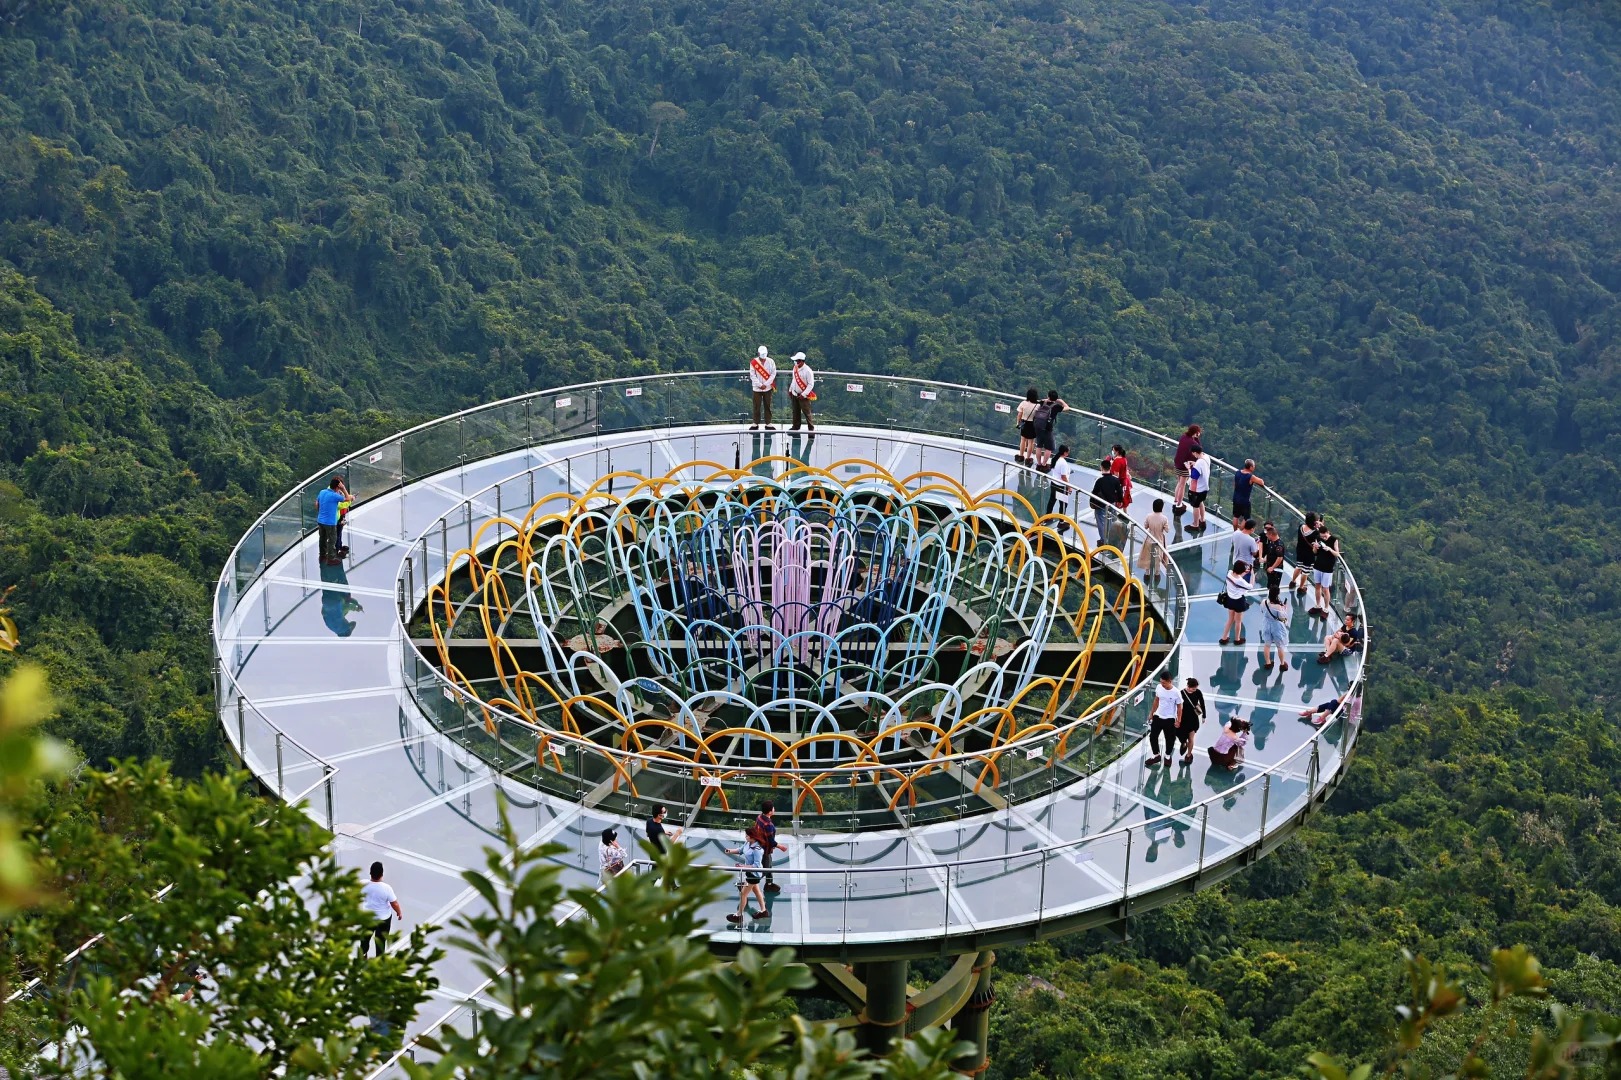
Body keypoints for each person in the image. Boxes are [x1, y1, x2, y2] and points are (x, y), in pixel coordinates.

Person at [723, 829, 770, 923]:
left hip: (754, 874)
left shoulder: (757, 850)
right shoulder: (747, 844)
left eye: (747, 835)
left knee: (743, 894)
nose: (745, 837)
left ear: (753, 837)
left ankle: (738, 915)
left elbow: (756, 865)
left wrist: (742, 866)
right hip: (749, 873)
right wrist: (729, 851)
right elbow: (740, 850)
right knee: (757, 892)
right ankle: (764, 911)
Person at [358, 861, 402, 958]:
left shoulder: (362, 884)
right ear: (382, 874)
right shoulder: (387, 888)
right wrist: (399, 912)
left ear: (370, 873)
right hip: (383, 919)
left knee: (365, 939)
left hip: (367, 917)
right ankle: (379, 960)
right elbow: (394, 903)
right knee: (381, 940)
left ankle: (363, 956)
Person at [1147, 671, 1181, 767]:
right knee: (1153, 736)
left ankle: (1167, 756)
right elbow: (1156, 700)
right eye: (1161, 682)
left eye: (1164, 683)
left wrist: (1178, 720)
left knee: (1170, 739)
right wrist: (1151, 713)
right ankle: (1156, 755)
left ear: (1170, 681)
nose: (1162, 684)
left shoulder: (1176, 692)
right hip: (1158, 716)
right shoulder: (1159, 687)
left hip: (1170, 718)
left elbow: (1179, 707)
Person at [753, 800, 787, 894]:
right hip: (765, 850)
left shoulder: (760, 817)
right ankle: (746, 883)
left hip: (759, 846)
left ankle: (769, 884)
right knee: (765, 870)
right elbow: (771, 841)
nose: (774, 809)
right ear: (770, 812)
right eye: (773, 808)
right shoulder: (768, 825)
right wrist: (781, 847)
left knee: (769, 867)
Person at [1088, 457, 1124, 542]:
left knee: (1101, 522)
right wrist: (1120, 501)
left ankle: (1103, 540)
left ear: (1101, 467)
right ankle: (1111, 539)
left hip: (1101, 504)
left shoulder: (1099, 480)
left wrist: (1092, 503)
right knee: (1112, 521)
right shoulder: (1115, 479)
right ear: (1110, 468)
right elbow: (1119, 491)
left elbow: (1094, 492)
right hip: (1112, 503)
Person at [1219, 559, 1253, 646]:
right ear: (1241, 571)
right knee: (1238, 621)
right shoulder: (1240, 581)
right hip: (1238, 602)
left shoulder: (1229, 573)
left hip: (1230, 600)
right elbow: (1250, 586)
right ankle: (1237, 639)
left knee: (1230, 619)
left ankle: (1224, 638)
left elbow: (1237, 577)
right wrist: (1252, 574)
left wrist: (1244, 572)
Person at [1031, 390, 1067, 471]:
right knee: (1049, 448)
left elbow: (1039, 400)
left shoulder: (1042, 403)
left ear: (1048, 396)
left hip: (1038, 426)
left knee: (1039, 446)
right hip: (1047, 428)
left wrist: (1047, 399)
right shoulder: (1056, 406)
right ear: (1056, 398)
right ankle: (1044, 465)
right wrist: (1061, 401)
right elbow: (1067, 408)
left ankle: (1039, 464)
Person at [1137, 497, 1171, 583]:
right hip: (1159, 541)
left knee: (1148, 558)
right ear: (1161, 507)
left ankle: (1147, 575)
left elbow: (1145, 526)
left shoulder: (1149, 516)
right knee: (1157, 560)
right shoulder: (1164, 518)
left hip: (1149, 539)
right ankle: (1156, 576)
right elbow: (1167, 530)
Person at [1171, 424, 1202, 514]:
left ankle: (1176, 500)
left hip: (1177, 462)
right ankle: (1179, 504)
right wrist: (1196, 438)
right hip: (1185, 465)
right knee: (1182, 485)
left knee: (1179, 483)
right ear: (1196, 433)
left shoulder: (1183, 437)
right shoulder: (1193, 443)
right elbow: (1199, 449)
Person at [1310, 528, 1341, 618]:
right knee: (1317, 586)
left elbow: (1337, 554)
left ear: (1328, 532)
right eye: (1322, 536)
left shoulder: (1334, 540)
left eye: (1325, 536)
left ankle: (1326, 608)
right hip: (1318, 565)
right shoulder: (1318, 538)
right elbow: (1314, 552)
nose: (1323, 538)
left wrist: (1330, 549)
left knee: (1325, 589)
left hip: (1328, 568)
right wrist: (1315, 547)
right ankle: (1318, 605)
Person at [316, 476, 346, 566]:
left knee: (322, 539)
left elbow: (317, 503)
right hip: (330, 522)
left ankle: (322, 556)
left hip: (320, 520)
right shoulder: (335, 496)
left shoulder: (322, 492)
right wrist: (343, 489)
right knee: (332, 540)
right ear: (337, 487)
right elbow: (347, 498)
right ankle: (331, 558)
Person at [1176, 677, 1206, 766]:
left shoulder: (1198, 692)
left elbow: (1202, 703)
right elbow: (1177, 706)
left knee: (1191, 738)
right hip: (1183, 718)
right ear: (1188, 686)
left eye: (1195, 688)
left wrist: (1204, 716)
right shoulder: (1181, 693)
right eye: (1193, 688)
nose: (1195, 690)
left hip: (1193, 719)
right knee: (1181, 735)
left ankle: (1189, 755)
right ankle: (1183, 743)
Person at [1259, 590, 1292, 671]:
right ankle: (1282, 664)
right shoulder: (1279, 607)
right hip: (1276, 627)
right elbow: (1283, 619)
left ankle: (1268, 662)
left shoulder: (1264, 602)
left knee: (1267, 645)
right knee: (1280, 646)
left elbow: (1262, 610)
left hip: (1266, 624)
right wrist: (1285, 609)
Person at [1290, 512, 1320, 596]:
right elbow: (1320, 539)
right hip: (1309, 553)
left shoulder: (1301, 527)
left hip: (1300, 550)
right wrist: (1318, 527)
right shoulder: (1315, 532)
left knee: (1298, 566)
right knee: (1305, 571)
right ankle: (1301, 587)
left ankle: (1293, 581)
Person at [748, 346, 777, 430]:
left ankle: (768, 423)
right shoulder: (754, 362)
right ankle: (755, 423)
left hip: (767, 388)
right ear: (758, 354)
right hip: (757, 388)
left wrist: (766, 384)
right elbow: (752, 375)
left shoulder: (771, 361)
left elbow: (773, 374)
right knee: (756, 406)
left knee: (767, 405)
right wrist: (760, 385)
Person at [1044, 445, 1074, 528]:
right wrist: (1069, 487)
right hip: (1061, 487)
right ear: (1064, 452)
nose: (1069, 453)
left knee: (1052, 500)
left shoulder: (1055, 458)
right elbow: (1063, 477)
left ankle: (1048, 516)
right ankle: (1061, 522)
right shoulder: (1063, 463)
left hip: (1054, 483)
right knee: (1063, 504)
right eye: (1068, 451)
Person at [787, 352, 816, 431]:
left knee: (807, 413)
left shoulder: (808, 371)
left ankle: (811, 429)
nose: (796, 363)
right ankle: (795, 427)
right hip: (795, 393)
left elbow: (811, 384)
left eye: (797, 361)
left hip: (804, 395)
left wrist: (804, 394)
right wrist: (790, 390)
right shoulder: (795, 368)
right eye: (796, 361)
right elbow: (794, 380)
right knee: (795, 412)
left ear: (802, 361)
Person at [1259, 521, 1287, 602]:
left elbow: (1279, 558)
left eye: (1267, 534)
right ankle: (1270, 597)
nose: (1266, 536)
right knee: (1270, 585)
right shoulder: (1272, 542)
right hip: (1269, 566)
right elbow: (1270, 552)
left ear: (1271, 534)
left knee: (1274, 586)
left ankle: (1274, 600)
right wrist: (1265, 559)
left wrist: (1272, 567)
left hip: (1276, 570)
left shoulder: (1279, 545)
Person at [1232, 459, 1266, 524]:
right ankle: (1241, 532)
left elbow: (1235, 484)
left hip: (1236, 498)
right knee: (1246, 518)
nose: (1254, 467)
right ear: (1250, 467)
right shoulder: (1250, 477)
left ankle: (1235, 531)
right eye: (1253, 466)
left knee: (1236, 516)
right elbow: (1261, 482)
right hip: (1245, 501)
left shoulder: (1238, 472)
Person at [1186, 447, 1211, 531]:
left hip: (1196, 489)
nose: (1193, 455)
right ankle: (1202, 520)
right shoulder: (1206, 457)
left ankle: (1195, 524)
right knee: (1200, 502)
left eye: (1193, 453)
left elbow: (1194, 476)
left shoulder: (1199, 463)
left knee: (1195, 506)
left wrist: (1189, 468)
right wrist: (1195, 463)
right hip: (1205, 487)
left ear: (1195, 452)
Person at [1014, 387, 1040, 466]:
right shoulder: (1037, 405)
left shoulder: (1023, 403)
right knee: (1031, 442)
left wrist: (1018, 423)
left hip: (1024, 422)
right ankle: (1028, 459)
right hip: (1032, 424)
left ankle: (1021, 456)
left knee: (1023, 440)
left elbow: (1019, 414)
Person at [1108, 444, 1133, 510]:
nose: (1112, 452)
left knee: (1115, 500)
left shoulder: (1117, 461)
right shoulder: (1124, 459)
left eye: (1113, 451)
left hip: (1118, 483)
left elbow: (1116, 476)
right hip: (1123, 482)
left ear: (1117, 451)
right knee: (1122, 499)